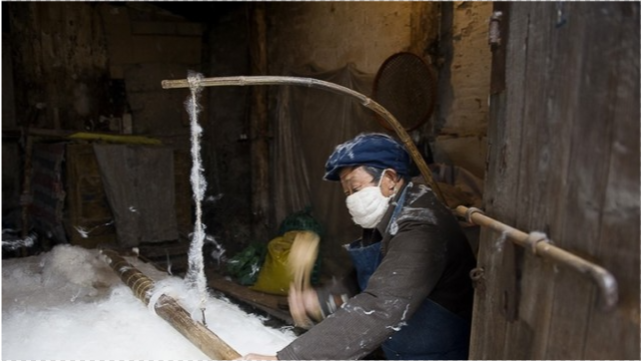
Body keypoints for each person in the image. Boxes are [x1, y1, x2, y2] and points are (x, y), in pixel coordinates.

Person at [240, 133, 476, 360]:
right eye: (347, 192)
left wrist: (290, 358)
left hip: (439, 353)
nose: (351, 199)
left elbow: (381, 304)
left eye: (355, 188)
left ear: (390, 179)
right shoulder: (388, 215)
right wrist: (322, 300)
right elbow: (364, 280)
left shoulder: (420, 226)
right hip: (404, 348)